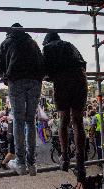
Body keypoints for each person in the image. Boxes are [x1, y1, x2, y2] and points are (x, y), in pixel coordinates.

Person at [0, 23, 44, 176]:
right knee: (31, 121)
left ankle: (21, 163)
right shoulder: (33, 43)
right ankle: (32, 163)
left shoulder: (6, 42)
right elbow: (42, 63)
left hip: (16, 80)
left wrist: (5, 77)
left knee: (18, 121)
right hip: (35, 81)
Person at [42, 32, 87, 187]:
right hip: (80, 78)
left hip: (62, 81)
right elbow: (83, 64)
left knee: (64, 120)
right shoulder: (70, 45)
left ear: (47, 41)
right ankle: (81, 164)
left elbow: (45, 72)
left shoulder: (47, 48)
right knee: (78, 121)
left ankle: (65, 156)